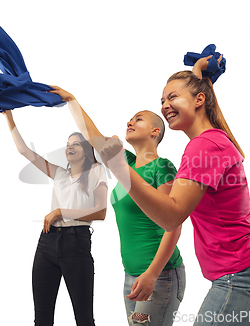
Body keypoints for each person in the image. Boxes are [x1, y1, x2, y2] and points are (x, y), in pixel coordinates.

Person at [97, 55, 250, 326]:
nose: (165, 105)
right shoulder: (211, 141)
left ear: (199, 101)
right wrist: (199, 75)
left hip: (242, 276)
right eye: (162, 100)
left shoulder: (203, 147)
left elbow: (172, 217)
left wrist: (120, 168)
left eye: (172, 97)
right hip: (248, 271)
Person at [49, 86, 186, 326]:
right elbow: (92, 136)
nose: (130, 122)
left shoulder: (162, 167)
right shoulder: (127, 165)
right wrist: (71, 100)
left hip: (159, 274)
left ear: (155, 131)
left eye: (138, 119)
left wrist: (152, 274)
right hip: (132, 274)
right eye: (130, 119)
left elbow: (173, 224)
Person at [1, 109, 107, 326]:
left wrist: (61, 212)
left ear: (87, 151)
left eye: (76, 143)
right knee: (42, 318)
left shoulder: (96, 170)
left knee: (84, 318)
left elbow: (101, 212)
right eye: (68, 143)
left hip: (76, 243)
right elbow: (24, 151)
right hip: (47, 242)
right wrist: (8, 117)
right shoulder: (60, 174)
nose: (70, 146)